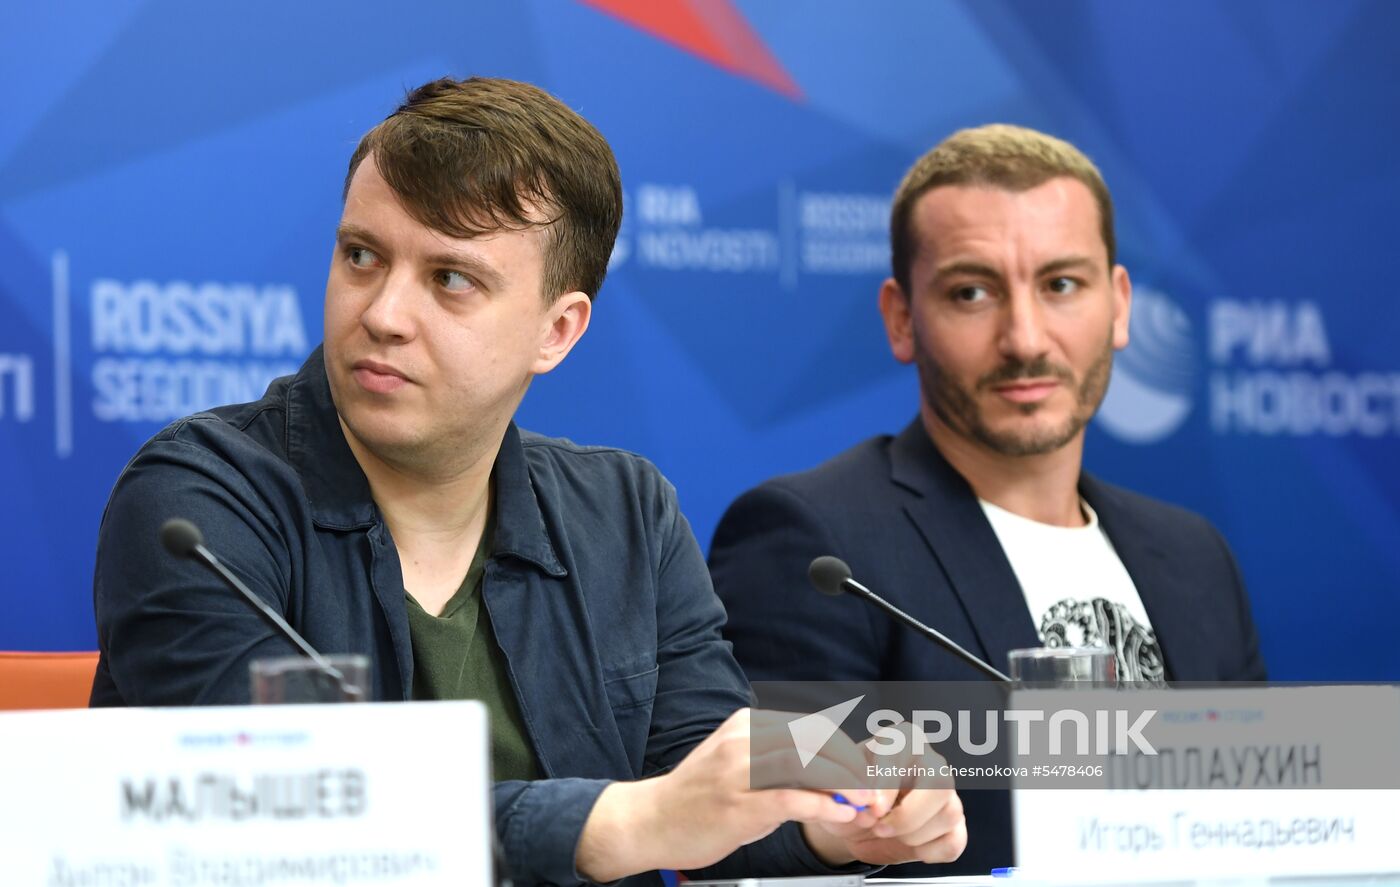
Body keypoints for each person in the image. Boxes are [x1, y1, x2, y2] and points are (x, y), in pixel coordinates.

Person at [89, 76, 966, 886]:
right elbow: (280, 815)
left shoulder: (625, 512)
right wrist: (623, 820)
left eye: (449, 278)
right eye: (361, 256)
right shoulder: (198, 502)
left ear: (558, 330)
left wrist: (837, 810)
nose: (384, 315)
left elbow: (708, 772)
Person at [709, 124, 1266, 875]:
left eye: (1062, 284)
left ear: (1120, 304)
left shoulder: (1195, 555)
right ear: (902, 318)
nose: (1026, 338)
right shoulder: (819, 541)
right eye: (972, 292)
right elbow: (745, 834)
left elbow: (1267, 822)